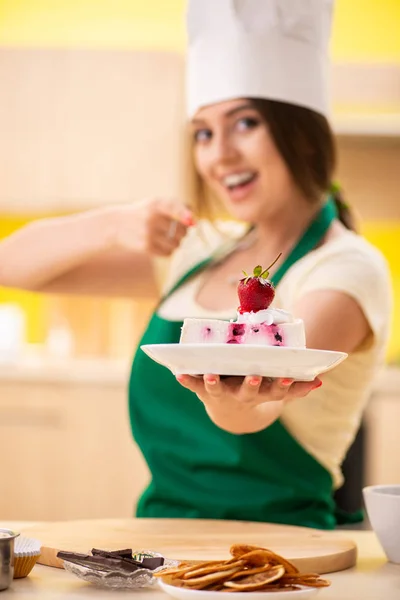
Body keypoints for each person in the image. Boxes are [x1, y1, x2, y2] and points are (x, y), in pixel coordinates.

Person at [0, 0, 392, 529]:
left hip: (283, 555)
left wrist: (228, 399)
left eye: (245, 123)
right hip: (157, 545)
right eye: (203, 132)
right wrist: (113, 223)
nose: (219, 155)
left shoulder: (346, 268)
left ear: (300, 131)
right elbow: (13, 266)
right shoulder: (200, 251)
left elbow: (258, 407)